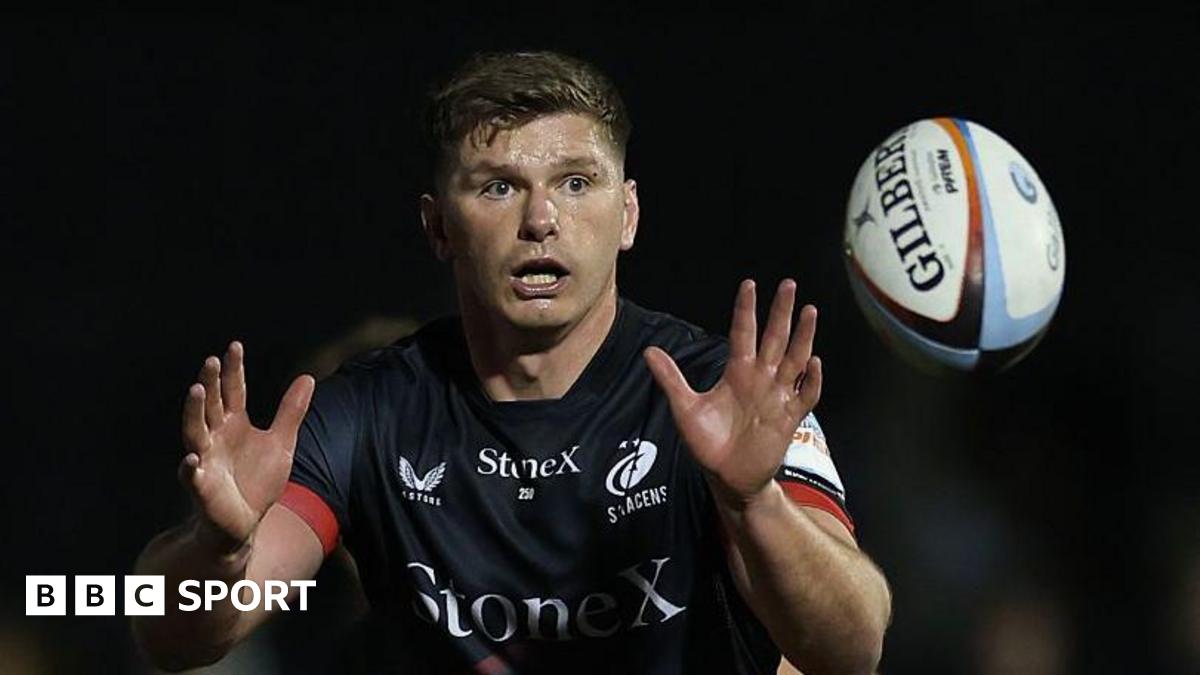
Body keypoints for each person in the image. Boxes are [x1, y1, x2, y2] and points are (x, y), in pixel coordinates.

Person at [132, 50, 891, 674]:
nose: (541, 219)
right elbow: (169, 636)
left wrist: (753, 502)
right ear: (438, 227)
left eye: (575, 182)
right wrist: (216, 545)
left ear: (628, 213)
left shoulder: (720, 396)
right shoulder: (368, 412)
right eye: (498, 186)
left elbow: (854, 650)